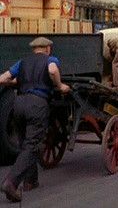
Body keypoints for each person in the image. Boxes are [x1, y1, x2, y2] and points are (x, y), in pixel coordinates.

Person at [0, 37, 70, 203]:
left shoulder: (22, 62)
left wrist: (19, 82)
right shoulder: (50, 59)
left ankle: (30, 181)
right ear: (47, 49)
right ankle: (11, 182)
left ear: (34, 49)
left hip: (18, 104)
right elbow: (52, 71)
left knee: (25, 142)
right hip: (37, 104)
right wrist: (60, 86)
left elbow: (3, 79)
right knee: (32, 146)